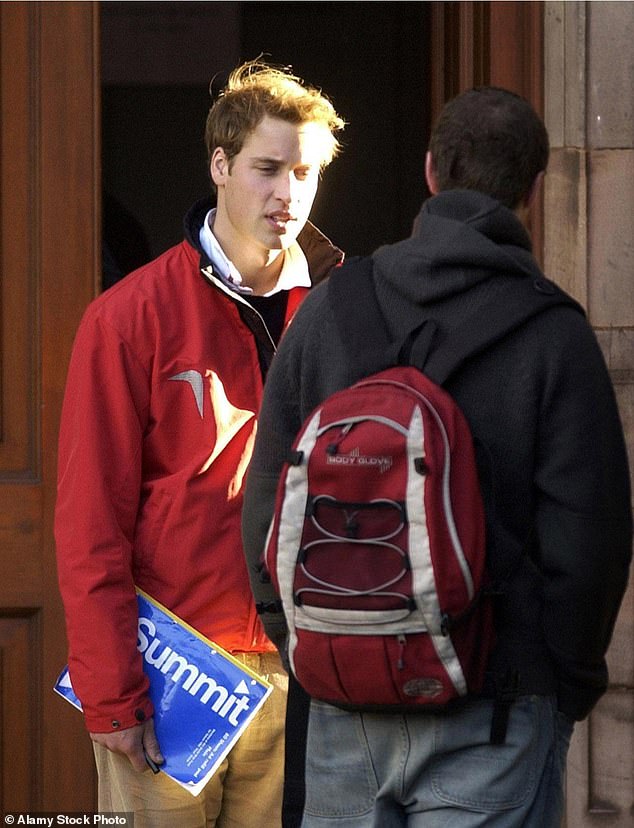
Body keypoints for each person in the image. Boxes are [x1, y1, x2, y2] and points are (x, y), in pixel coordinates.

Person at [242, 86, 632, 827]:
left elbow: (267, 495)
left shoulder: (330, 307)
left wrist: (305, 642)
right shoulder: (554, 334)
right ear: (534, 191)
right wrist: (561, 684)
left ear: (430, 172)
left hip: (342, 698)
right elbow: (593, 538)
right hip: (496, 705)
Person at [54, 59, 344, 828]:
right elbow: (90, 522)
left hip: (304, 674)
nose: (288, 193)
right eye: (268, 168)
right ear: (220, 165)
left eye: (307, 173)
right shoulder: (129, 317)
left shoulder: (345, 314)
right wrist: (111, 694)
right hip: (170, 677)